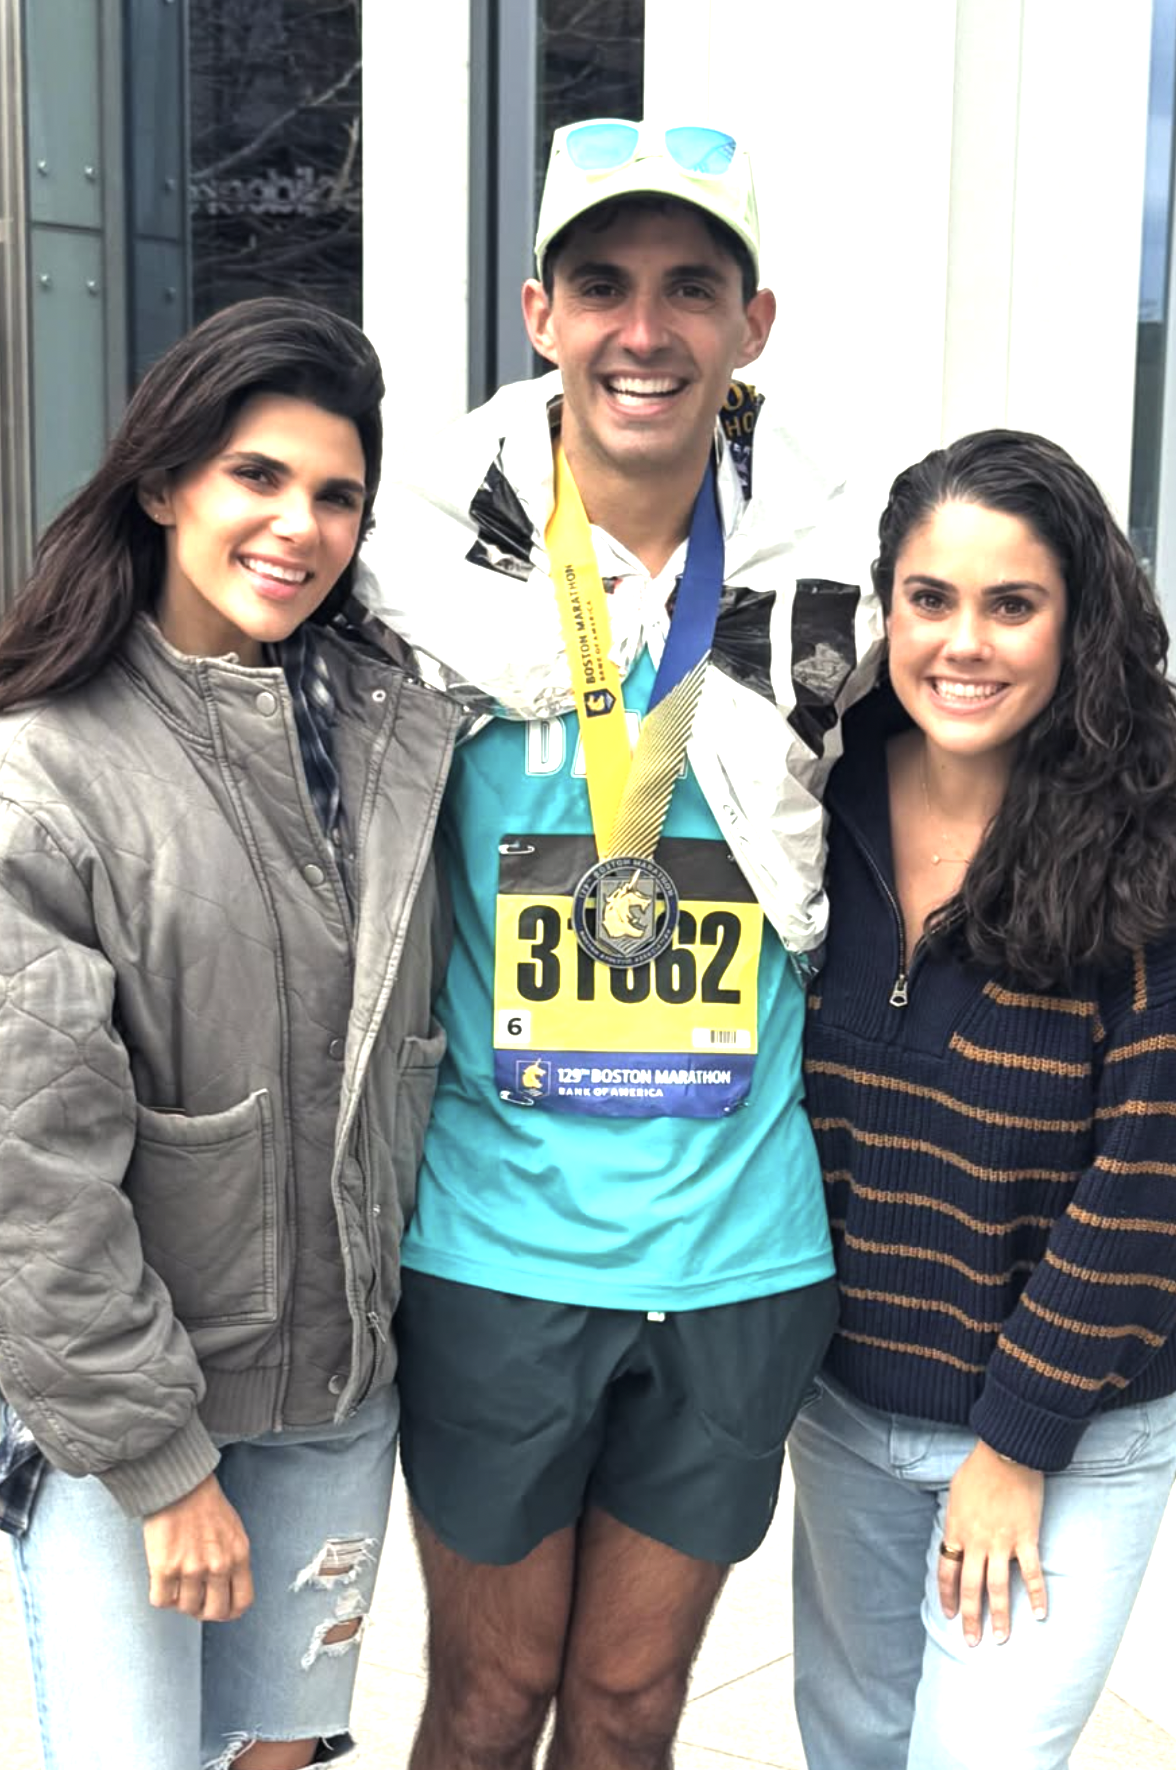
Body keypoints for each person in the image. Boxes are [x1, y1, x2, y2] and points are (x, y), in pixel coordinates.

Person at [358, 120, 879, 1768]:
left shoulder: (838, 589)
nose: (641, 329)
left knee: (633, 1705)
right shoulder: (414, 579)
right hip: (497, 1252)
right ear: (539, 311)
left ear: (753, 325)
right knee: (489, 1697)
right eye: (602, 285)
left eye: (687, 288)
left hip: (740, 1258)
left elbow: (1014, 717)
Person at [0, 298, 459, 1770]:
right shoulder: (37, 772)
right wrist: (160, 1469)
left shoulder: (393, 730)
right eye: (256, 476)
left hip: (337, 1400)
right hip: (134, 1424)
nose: (299, 523)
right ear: (164, 484)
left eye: (335, 492)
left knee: (275, 1757)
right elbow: (21, 1182)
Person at [788, 429, 1176, 1770]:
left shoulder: (1172, 865)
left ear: (1078, 622)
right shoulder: (807, 800)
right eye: (931, 598)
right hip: (848, 1399)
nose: (965, 642)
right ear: (886, 608)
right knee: (856, 1745)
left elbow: (1160, 1189)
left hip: (1064, 1434)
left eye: (1013, 603)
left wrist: (1016, 1443)